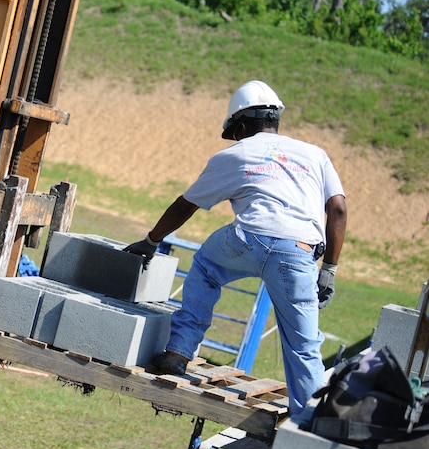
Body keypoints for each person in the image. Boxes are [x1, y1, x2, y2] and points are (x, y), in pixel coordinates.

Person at [125, 80, 347, 419]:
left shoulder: (235, 155)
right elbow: (339, 210)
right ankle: (309, 427)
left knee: (205, 266)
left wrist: (153, 239)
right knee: (304, 347)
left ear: (241, 125)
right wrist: (329, 269)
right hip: (300, 252)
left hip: (249, 239)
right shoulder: (315, 155)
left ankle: (178, 353)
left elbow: (186, 205)